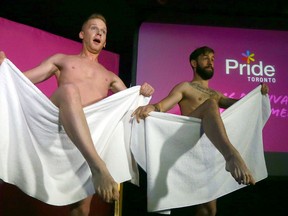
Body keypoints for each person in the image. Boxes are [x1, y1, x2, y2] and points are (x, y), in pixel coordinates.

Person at [0, 13, 154, 216]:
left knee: (81, 208)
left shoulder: (110, 77)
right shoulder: (62, 60)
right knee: (70, 91)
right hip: (57, 126)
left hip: (87, 139)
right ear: (82, 34)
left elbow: (132, 110)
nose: (99, 32)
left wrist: (143, 95)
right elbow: (22, 81)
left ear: (105, 41)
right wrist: (4, 68)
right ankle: (98, 166)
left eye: (103, 31)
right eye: (94, 28)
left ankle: (94, 164)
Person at [132, 46, 269, 216]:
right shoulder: (185, 87)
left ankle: (228, 155)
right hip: (188, 138)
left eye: (212, 58)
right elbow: (163, 105)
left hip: (207, 149)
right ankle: (232, 156)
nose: (210, 62)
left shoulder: (216, 94)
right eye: (206, 58)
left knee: (209, 210)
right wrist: (152, 107)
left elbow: (240, 105)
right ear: (194, 63)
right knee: (211, 104)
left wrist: (256, 95)